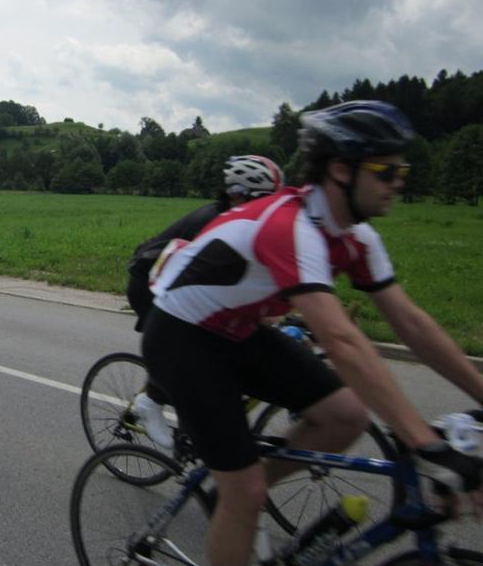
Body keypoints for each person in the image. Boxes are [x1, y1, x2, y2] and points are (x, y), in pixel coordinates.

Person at [142, 100, 483, 565]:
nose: (399, 181)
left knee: (346, 415)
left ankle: (238, 493)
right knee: (245, 491)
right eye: (386, 170)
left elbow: (412, 323)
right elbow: (341, 340)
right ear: (341, 169)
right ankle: (240, 495)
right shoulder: (289, 225)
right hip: (181, 336)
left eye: (402, 170)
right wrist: (426, 444)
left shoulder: (357, 236)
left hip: (238, 331)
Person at [126, 155, 284, 447]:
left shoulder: (245, 222)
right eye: (264, 200)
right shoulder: (215, 223)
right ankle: (151, 402)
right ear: (239, 194)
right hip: (148, 283)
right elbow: (201, 291)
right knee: (186, 353)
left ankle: (195, 432)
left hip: (178, 284)